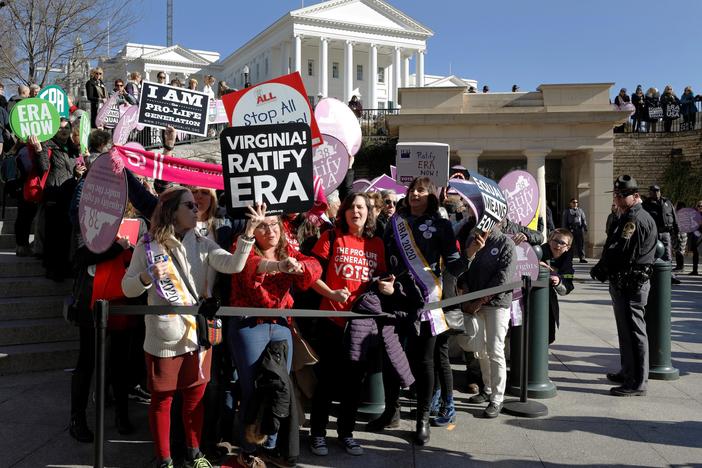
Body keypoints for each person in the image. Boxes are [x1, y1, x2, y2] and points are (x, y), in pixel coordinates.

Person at [121, 188, 262, 468]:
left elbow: (234, 265)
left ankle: (194, 454)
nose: (197, 208)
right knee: (162, 401)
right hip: (164, 337)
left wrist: (249, 233)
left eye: (196, 205)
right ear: (173, 211)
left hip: (197, 336)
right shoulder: (148, 245)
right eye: (189, 205)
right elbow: (127, 288)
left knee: (194, 400)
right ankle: (164, 459)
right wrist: (147, 276)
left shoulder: (203, 243)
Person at [369, 176, 470, 445]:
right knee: (391, 358)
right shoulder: (394, 222)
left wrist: (470, 253)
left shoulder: (441, 224)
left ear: (431, 196)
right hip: (395, 298)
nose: (415, 193)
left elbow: (454, 267)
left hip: (426, 301)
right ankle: (391, 412)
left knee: (425, 362)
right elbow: (385, 258)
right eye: (413, 189)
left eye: (421, 190)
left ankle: (422, 419)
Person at [228, 213, 322, 468]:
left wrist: (302, 267)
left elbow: (313, 267)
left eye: (273, 224)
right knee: (253, 390)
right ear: (253, 229)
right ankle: (247, 450)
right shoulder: (242, 244)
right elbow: (249, 267)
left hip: (281, 326)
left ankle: (270, 446)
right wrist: (279, 266)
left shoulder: (287, 247)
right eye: (262, 226)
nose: (270, 230)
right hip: (249, 325)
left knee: (281, 387)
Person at [308, 192, 396, 457]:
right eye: (351, 207)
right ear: (343, 212)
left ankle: (346, 433)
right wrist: (332, 294)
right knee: (326, 382)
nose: (356, 212)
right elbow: (312, 277)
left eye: (361, 207)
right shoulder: (331, 237)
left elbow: (382, 280)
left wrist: (387, 288)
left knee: (352, 384)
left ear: (369, 212)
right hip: (332, 321)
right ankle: (317, 434)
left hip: (361, 325)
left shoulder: (377, 243)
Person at [590, 175, 657, 397]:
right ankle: (628, 371)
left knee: (634, 332)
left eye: (622, 195)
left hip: (631, 283)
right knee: (626, 331)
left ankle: (637, 382)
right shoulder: (628, 215)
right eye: (616, 195)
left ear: (635, 196)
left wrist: (602, 269)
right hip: (625, 282)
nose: (617, 199)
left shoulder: (635, 218)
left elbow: (621, 251)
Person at [457, 219, 516, 418]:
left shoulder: (505, 244)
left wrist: (479, 302)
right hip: (473, 302)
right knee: (480, 349)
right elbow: (463, 269)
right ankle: (488, 388)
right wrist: (465, 294)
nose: (483, 224)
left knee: (495, 349)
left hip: (496, 304)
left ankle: (497, 398)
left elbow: (502, 279)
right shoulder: (472, 240)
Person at [541, 228, 575, 344]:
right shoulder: (539, 252)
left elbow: (566, 289)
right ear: (549, 241)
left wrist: (558, 281)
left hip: (548, 301)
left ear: (568, 247)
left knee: (548, 335)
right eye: (555, 241)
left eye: (562, 243)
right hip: (529, 298)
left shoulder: (567, 261)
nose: (558, 245)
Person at [642, 185, 680, 284]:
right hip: (653, 233)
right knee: (652, 254)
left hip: (666, 233)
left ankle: (670, 275)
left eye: (658, 191)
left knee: (667, 255)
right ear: (650, 192)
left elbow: (674, 218)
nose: (656, 193)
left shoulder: (667, 202)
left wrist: (677, 232)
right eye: (654, 191)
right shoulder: (646, 204)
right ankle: (651, 275)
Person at [562, 198, 588, 263]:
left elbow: (583, 219)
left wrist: (585, 227)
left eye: (576, 202)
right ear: (570, 203)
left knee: (581, 244)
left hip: (579, 230)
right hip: (571, 230)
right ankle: (569, 258)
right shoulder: (567, 211)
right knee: (570, 245)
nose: (575, 203)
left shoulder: (580, 211)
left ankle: (582, 258)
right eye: (573, 202)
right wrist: (565, 231)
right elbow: (564, 222)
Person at [689, 201, 702, 275]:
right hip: (695, 236)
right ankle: (695, 270)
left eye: (701, 206)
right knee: (695, 254)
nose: (700, 207)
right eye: (699, 206)